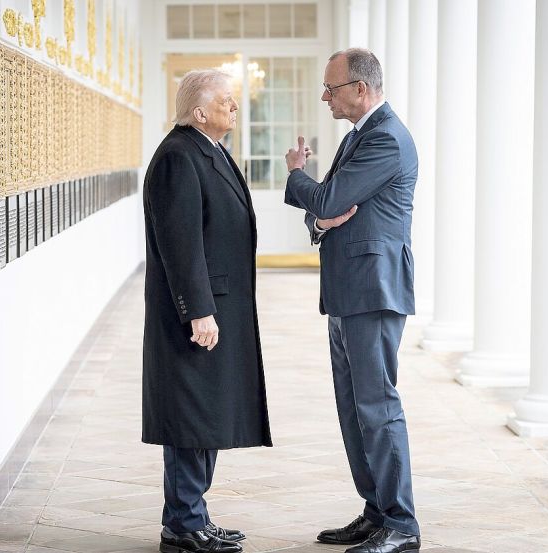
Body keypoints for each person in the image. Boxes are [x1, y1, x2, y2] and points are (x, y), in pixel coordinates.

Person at [283, 48, 421, 553]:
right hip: (347, 291)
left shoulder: (386, 138)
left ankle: (401, 525)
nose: (325, 97)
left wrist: (296, 174)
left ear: (360, 88)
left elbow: (325, 198)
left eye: (331, 87)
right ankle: (376, 510)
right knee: (353, 409)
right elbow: (324, 211)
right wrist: (320, 217)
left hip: (373, 290)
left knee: (377, 407)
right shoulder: (357, 135)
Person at [142, 69, 272, 553]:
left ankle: (194, 516)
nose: (235, 107)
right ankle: (182, 525)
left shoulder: (207, 149)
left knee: (206, 413)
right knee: (190, 416)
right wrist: (198, 311)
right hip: (196, 315)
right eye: (226, 100)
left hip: (218, 307)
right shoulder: (178, 156)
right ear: (199, 112)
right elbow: (181, 244)